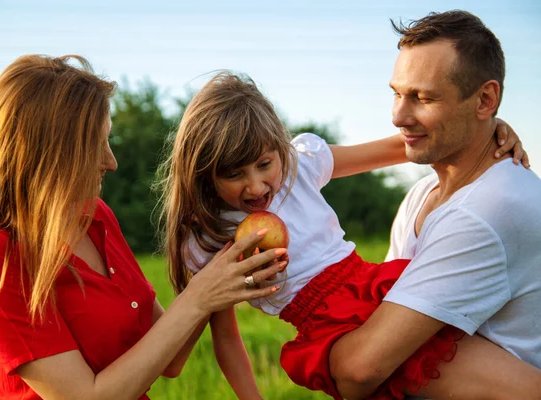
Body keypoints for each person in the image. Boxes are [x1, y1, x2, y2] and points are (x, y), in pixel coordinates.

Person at [155, 70, 533, 400]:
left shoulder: (297, 167)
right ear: (203, 173)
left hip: (381, 295)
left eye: (263, 164)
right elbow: (225, 337)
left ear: (277, 151)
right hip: (333, 330)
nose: (255, 187)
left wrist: (485, 134)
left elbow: (396, 149)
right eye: (234, 175)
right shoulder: (210, 238)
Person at [0, 54, 287, 400]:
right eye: (95, 146)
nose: (111, 162)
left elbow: (170, 359)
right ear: (49, 154)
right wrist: (199, 298)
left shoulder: (94, 216)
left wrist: (217, 273)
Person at [329, 10, 541, 400]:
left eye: (423, 97)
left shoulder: (487, 211)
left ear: (486, 99)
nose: (398, 116)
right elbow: (378, 310)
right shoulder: (422, 194)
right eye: (396, 92)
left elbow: (359, 370)